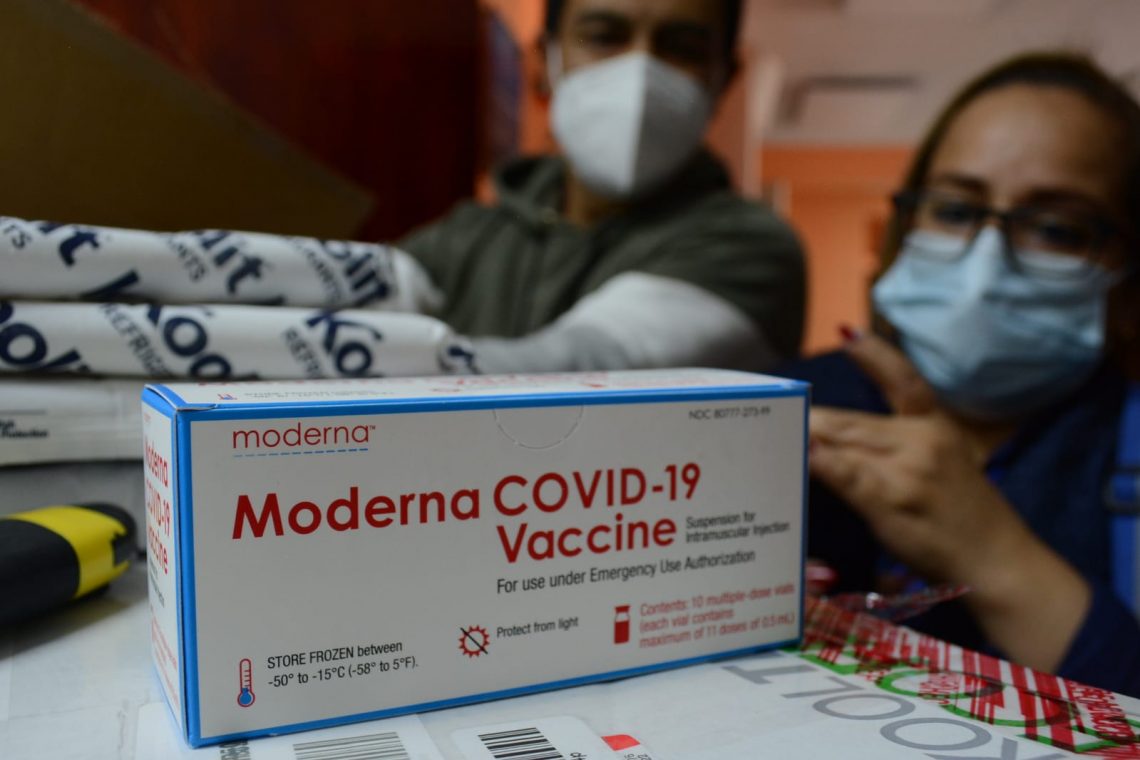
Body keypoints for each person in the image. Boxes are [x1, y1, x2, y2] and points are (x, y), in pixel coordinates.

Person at [783, 52, 1140, 696]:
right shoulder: (790, 406)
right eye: (953, 210)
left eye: (1055, 228)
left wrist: (992, 554)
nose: (984, 266)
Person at [399, 0, 805, 373]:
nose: (640, 72)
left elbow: (586, 367)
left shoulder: (750, 249)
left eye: (682, 48)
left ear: (724, 79)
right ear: (545, 62)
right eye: (604, 37)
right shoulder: (464, 236)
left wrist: (380, 358)